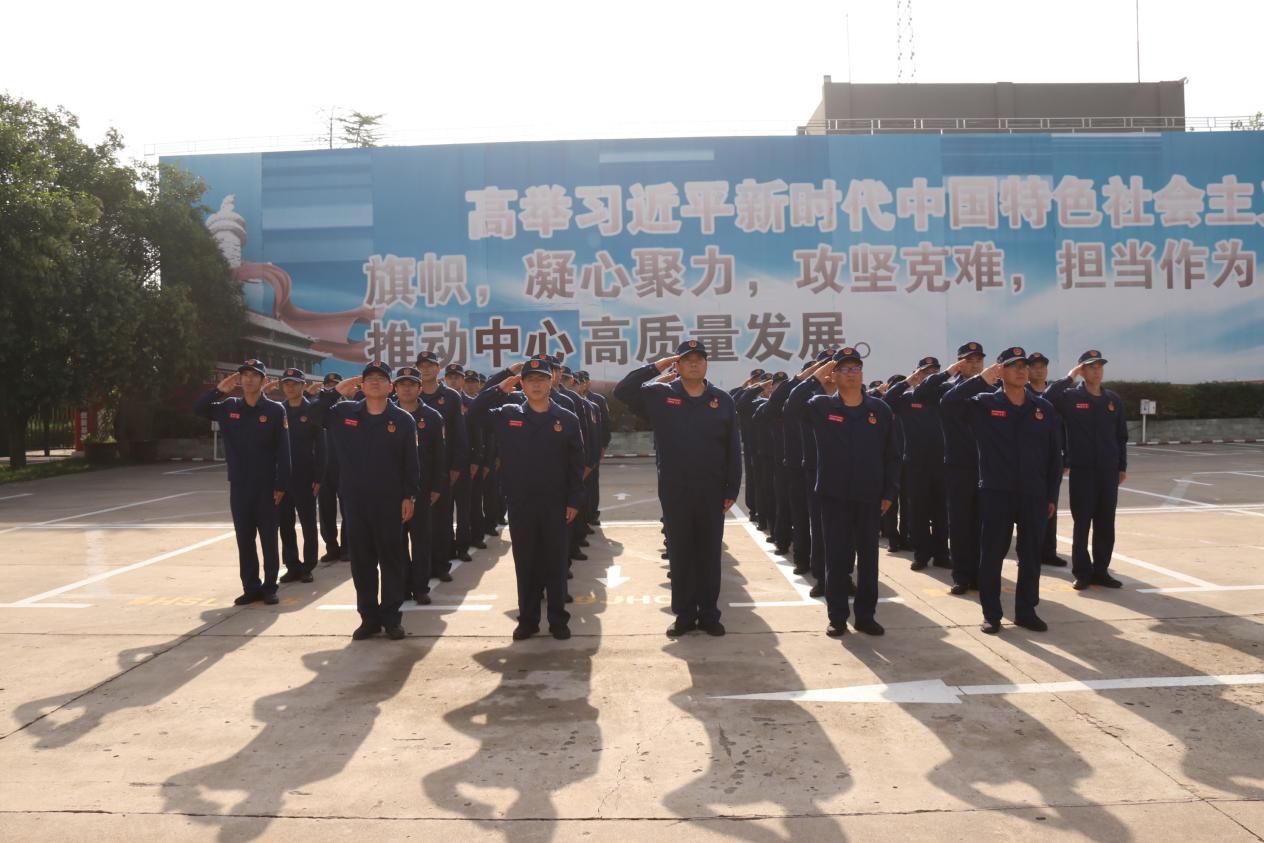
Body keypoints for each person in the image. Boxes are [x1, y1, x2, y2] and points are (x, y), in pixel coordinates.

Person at [615, 340, 741, 638]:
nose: (694, 364)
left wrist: (731, 490)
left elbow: (732, 448)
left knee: (709, 554)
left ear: (706, 364)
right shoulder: (661, 395)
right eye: (687, 359)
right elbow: (624, 390)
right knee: (681, 553)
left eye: (699, 359)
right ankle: (684, 615)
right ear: (677, 365)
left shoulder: (721, 400)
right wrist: (658, 366)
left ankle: (709, 614)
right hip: (675, 489)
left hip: (712, 490)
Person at [943, 347, 1062, 634]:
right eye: (1013, 366)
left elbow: (1053, 456)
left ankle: (1026, 611)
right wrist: (980, 380)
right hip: (997, 492)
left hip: (1033, 493)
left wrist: (1051, 496)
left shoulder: (1042, 408)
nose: (1021, 371)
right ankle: (992, 614)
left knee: (1030, 555)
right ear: (1000, 371)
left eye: (1024, 366)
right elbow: (948, 403)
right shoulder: (984, 404)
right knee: (992, 554)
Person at [786, 348, 899, 637]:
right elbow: (789, 406)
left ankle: (865, 616)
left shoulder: (879, 410)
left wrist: (889, 492)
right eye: (844, 369)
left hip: (869, 496)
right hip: (833, 495)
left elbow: (891, 454)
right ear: (833, 375)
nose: (851, 374)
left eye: (855, 368)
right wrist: (815, 377)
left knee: (869, 559)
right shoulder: (822, 406)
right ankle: (837, 617)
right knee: (835, 558)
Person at [469, 359, 585, 641]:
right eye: (530, 379)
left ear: (551, 382)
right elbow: (474, 413)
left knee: (556, 563)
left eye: (541, 379)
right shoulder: (508, 414)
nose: (536, 385)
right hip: (520, 502)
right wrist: (500, 386)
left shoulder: (566, 419)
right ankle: (528, 620)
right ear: (521, 383)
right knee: (526, 562)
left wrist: (574, 501)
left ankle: (558, 619)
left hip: (556, 502)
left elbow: (576, 465)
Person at [318, 360, 420, 640]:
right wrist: (334, 391)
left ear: (391, 386)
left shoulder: (402, 420)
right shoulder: (344, 413)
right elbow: (314, 414)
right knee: (362, 562)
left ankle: (391, 618)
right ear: (361, 385)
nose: (375, 382)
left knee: (391, 560)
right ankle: (369, 618)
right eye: (370, 378)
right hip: (355, 501)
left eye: (381, 378)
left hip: (389, 502)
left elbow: (411, 463)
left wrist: (409, 495)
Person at [193, 359, 291, 606]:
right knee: (244, 539)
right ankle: (251, 586)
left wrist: (281, 485)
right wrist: (219, 390)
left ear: (263, 380)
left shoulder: (275, 410)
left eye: (254, 375)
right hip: (239, 485)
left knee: (269, 538)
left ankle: (270, 587)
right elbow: (199, 409)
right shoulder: (229, 407)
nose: (249, 379)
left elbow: (284, 450)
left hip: (267, 486)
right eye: (244, 375)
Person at [1042, 350, 1129, 591]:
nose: (1097, 371)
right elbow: (1048, 397)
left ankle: (1101, 571)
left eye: (1100, 366)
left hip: (1108, 471)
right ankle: (1082, 572)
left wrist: (1122, 466)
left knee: (1105, 523)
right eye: (1091, 367)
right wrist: (1070, 376)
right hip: (1083, 471)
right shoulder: (1071, 397)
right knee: (1082, 523)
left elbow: (1121, 436)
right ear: (1082, 370)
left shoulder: (1112, 400)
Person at [916, 342, 986, 595]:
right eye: (968, 360)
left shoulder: (992, 388)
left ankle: (981, 574)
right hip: (957, 465)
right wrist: (947, 373)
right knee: (959, 523)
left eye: (978, 360)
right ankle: (962, 575)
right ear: (958, 363)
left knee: (983, 524)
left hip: (986, 465)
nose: (974, 365)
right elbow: (920, 393)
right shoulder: (946, 388)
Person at [884, 357, 949, 571]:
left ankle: (942, 554)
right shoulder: (907, 399)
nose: (930, 376)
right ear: (917, 374)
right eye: (925, 372)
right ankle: (921, 554)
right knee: (918, 511)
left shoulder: (944, 396)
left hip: (941, 461)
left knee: (941, 511)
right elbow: (887, 400)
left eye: (934, 372)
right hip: (915, 463)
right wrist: (907, 382)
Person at [393, 366, 447, 605]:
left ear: (420, 388)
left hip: (422, 489)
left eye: (411, 384)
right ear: (395, 388)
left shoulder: (432, 417)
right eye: (402, 384)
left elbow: (440, 456)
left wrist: (437, 486)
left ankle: (420, 586)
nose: (407, 389)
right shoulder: (386, 414)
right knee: (397, 541)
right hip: (393, 489)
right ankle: (403, 586)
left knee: (421, 539)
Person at [416, 350, 468, 580]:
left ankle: (441, 565)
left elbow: (459, 434)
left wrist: (456, 467)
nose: (426, 369)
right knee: (419, 524)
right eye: (422, 366)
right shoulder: (410, 393)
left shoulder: (451, 397)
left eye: (430, 365)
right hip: (416, 468)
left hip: (442, 468)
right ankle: (422, 568)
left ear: (438, 369)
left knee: (442, 520)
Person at [276, 368, 323, 584]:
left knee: (308, 524)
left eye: (295, 383)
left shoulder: (312, 410)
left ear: (303, 386)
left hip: (306, 477)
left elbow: (321, 447)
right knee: (285, 524)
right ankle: (292, 565)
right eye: (287, 384)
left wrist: (319, 477)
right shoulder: (278, 410)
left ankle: (308, 566)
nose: (290, 387)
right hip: (283, 478)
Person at [1025, 352, 1069, 568]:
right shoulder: (1023, 392)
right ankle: (1029, 550)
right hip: (1029, 459)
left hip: (1052, 459)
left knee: (1050, 504)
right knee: (1028, 508)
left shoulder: (1058, 395)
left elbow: (1064, 427)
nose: (1039, 370)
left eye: (1042, 366)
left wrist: (1066, 457)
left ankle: (1048, 551)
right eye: (1034, 366)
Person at [316, 372, 347, 562]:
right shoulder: (318, 409)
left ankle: (347, 548)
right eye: (328, 385)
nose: (331, 388)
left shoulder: (349, 409)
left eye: (335, 385)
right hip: (324, 468)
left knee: (348, 509)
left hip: (345, 467)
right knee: (326, 510)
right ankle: (331, 547)